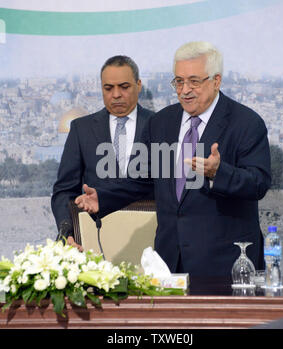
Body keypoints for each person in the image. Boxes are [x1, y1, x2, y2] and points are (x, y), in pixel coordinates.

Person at [75, 41, 271, 277]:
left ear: (216, 81)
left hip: (225, 264)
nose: (184, 90)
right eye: (179, 81)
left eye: (194, 81)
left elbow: (258, 182)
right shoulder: (161, 123)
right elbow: (144, 179)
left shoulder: (246, 123)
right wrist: (104, 198)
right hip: (169, 262)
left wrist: (219, 173)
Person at [51, 55, 154, 250]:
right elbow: (64, 191)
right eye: (108, 88)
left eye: (124, 87)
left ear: (139, 85)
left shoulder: (161, 126)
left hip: (153, 244)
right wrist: (67, 233)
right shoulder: (81, 129)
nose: (116, 94)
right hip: (95, 242)